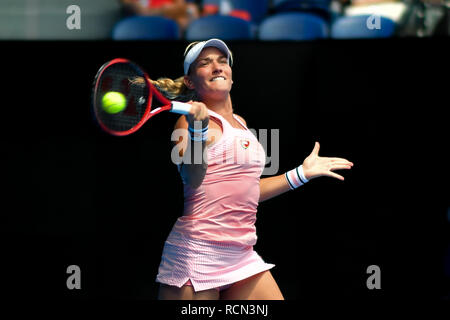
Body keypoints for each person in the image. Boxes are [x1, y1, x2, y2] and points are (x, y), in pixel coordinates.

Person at [153, 39, 354, 300]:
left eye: (222, 61)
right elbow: (192, 177)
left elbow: (248, 190)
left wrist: (301, 174)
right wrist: (197, 131)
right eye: (205, 63)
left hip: (240, 253)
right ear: (190, 82)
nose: (216, 66)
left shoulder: (241, 123)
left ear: (231, 76)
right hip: (198, 250)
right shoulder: (185, 122)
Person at [119, 0, 200, 32]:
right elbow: (143, 12)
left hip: (174, 18)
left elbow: (183, 5)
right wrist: (165, 9)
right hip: (146, 24)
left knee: (191, 11)